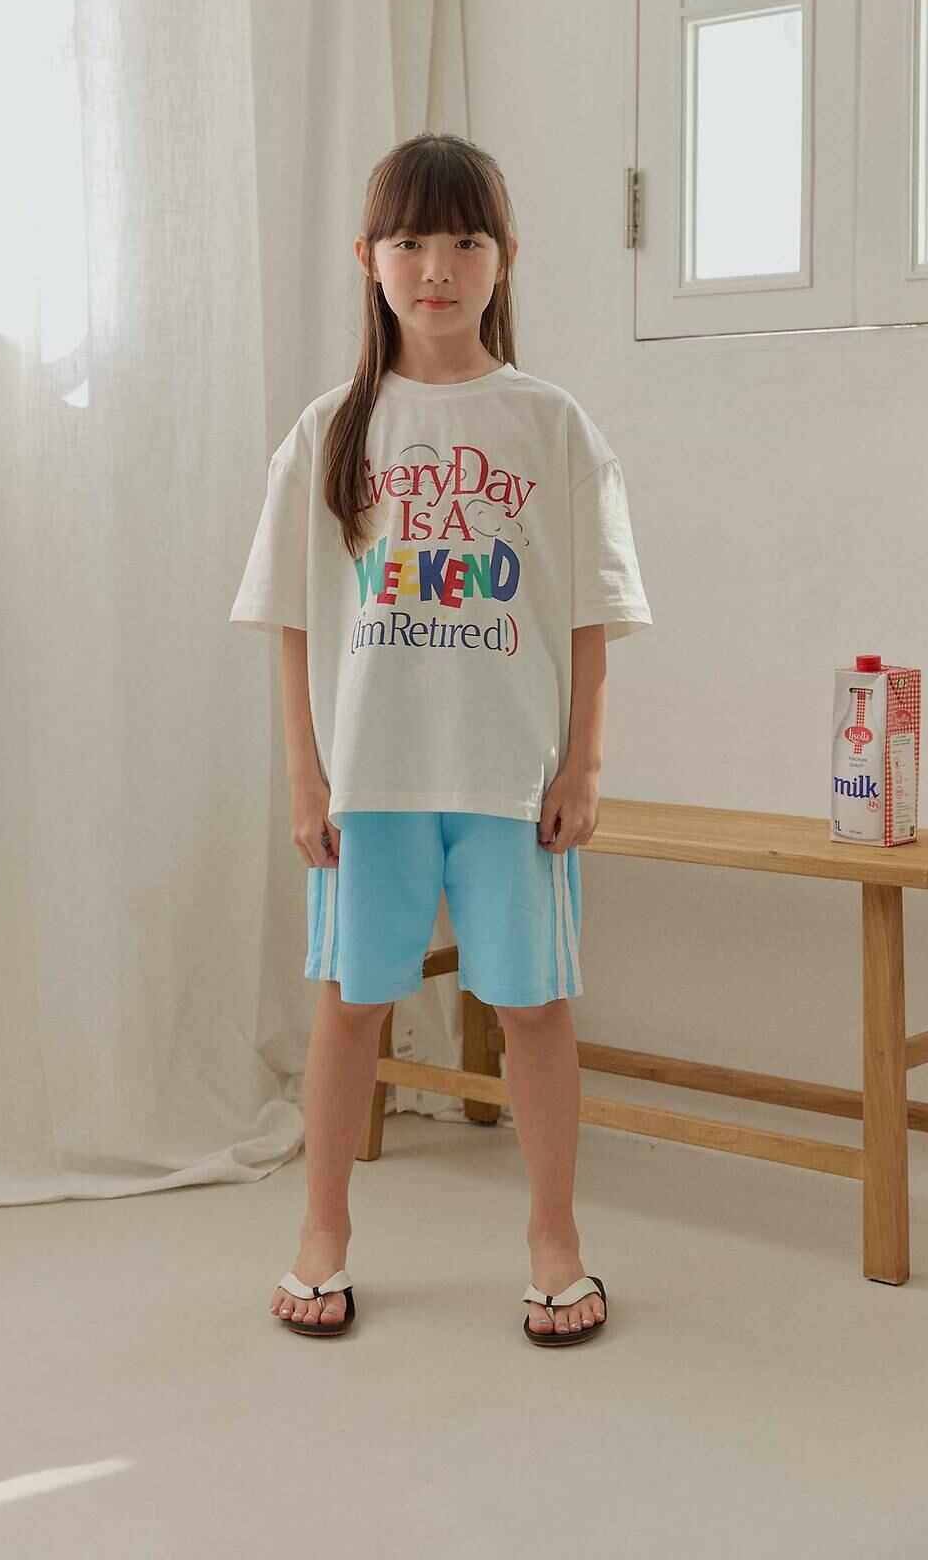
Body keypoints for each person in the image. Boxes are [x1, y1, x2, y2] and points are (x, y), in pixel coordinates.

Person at [230, 132, 652, 1343]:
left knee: (533, 1007)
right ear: (366, 257)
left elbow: (590, 617)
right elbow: (293, 623)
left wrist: (582, 766)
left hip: (510, 781)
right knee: (349, 1005)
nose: (436, 267)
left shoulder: (551, 424)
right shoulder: (328, 431)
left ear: (504, 256)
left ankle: (554, 1241)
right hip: (369, 783)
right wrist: (305, 778)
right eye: (409, 240)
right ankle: (321, 1234)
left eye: (464, 240)